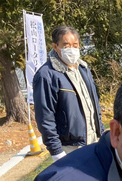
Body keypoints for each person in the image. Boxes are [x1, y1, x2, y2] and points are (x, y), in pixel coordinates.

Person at [33, 26, 104, 161]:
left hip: (92, 140)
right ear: (55, 46)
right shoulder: (46, 75)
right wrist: (56, 151)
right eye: (66, 45)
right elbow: (45, 117)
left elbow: (94, 103)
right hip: (69, 148)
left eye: (75, 45)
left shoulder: (83, 69)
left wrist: (99, 131)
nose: (72, 49)